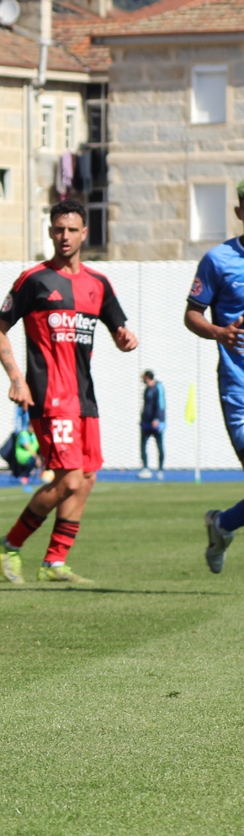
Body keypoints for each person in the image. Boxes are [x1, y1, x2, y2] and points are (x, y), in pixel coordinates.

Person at [0, 198, 137, 585]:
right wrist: (16, 379)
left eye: (72, 230)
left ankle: (54, 562)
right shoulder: (33, 280)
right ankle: (10, 544)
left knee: (86, 478)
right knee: (68, 479)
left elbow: (119, 330)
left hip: (85, 398)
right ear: (51, 231)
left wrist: (125, 339)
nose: (65, 236)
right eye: (58, 229)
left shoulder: (98, 285)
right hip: (50, 397)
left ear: (85, 233)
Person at [183, 185, 244, 573]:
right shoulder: (219, 259)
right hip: (240, 389)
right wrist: (219, 332)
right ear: (240, 211)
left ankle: (221, 525)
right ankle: (221, 526)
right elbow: (192, 314)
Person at [138, 370, 166, 479]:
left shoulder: (158, 387)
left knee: (159, 445)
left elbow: (161, 404)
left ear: (148, 377)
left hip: (156, 423)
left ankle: (160, 469)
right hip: (146, 422)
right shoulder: (147, 389)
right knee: (143, 445)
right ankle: (145, 467)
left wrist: (157, 419)